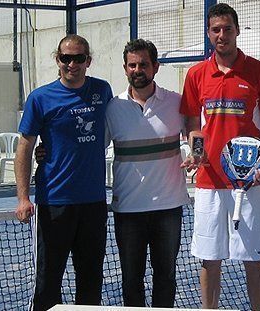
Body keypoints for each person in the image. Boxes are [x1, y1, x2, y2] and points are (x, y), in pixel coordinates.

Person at [179, 3, 260, 310]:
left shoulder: (259, 70)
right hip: (210, 181)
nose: (222, 35)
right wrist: (198, 155)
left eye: (227, 29)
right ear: (209, 33)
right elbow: (194, 125)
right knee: (210, 260)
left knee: (252, 260)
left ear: (237, 30)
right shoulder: (196, 74)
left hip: (251, 182)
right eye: (215, 30)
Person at [14, 34, 113, 310]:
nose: (72, 64)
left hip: (93, 204)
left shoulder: (102, 91)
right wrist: (23, 197)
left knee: (91, 281)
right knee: (48, 281)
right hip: (54, 204)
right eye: (66, 58)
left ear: (88, 61)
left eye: (78, 58)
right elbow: (24, 146)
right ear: (57, 60)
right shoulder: (40, 98)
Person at [106, 39, 191, 308]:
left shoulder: (176, 103)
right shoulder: (112, 108)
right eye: (132, 65)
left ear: (155, 67)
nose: (137, 69)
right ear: (125, 68)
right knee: (131, 280)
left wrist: (194, 154)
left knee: (166, 276)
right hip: (128, 211)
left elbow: (198, 135)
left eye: (143, 64)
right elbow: (88, 148)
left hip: (168, 209)